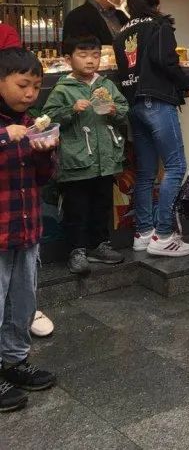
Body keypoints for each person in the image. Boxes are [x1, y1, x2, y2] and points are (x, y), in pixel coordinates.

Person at [113, 0, 189, 257]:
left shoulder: (121, 33)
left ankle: (143, 232)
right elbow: (166, 61)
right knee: (176, 166)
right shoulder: (159, 25)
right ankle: (163, 235)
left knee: (146, 172)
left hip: (134, 105)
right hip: (156, 100)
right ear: (156, 4)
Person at [0, 48, 58, 412]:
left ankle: (15, 361)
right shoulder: (9, 128)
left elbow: (43, 178)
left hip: (26, 228)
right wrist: (6, 136)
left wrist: (43, 152)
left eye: (36, 87)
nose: (30, 93)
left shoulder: (33, 121)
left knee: (23, 301)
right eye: (23, 85)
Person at [43, 36, 129, 275]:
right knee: (77, 208)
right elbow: (47, 119)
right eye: (83, 55)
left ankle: (100, 245)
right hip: (76, 160)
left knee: (102, 205)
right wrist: (70, 109)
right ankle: (77, 250)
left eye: (95, 55)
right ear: (68, 59)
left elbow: (124, 110)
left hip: (105, 160)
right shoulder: (63, 89)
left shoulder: (106, 85)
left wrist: (114, 110)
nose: (90, 60)